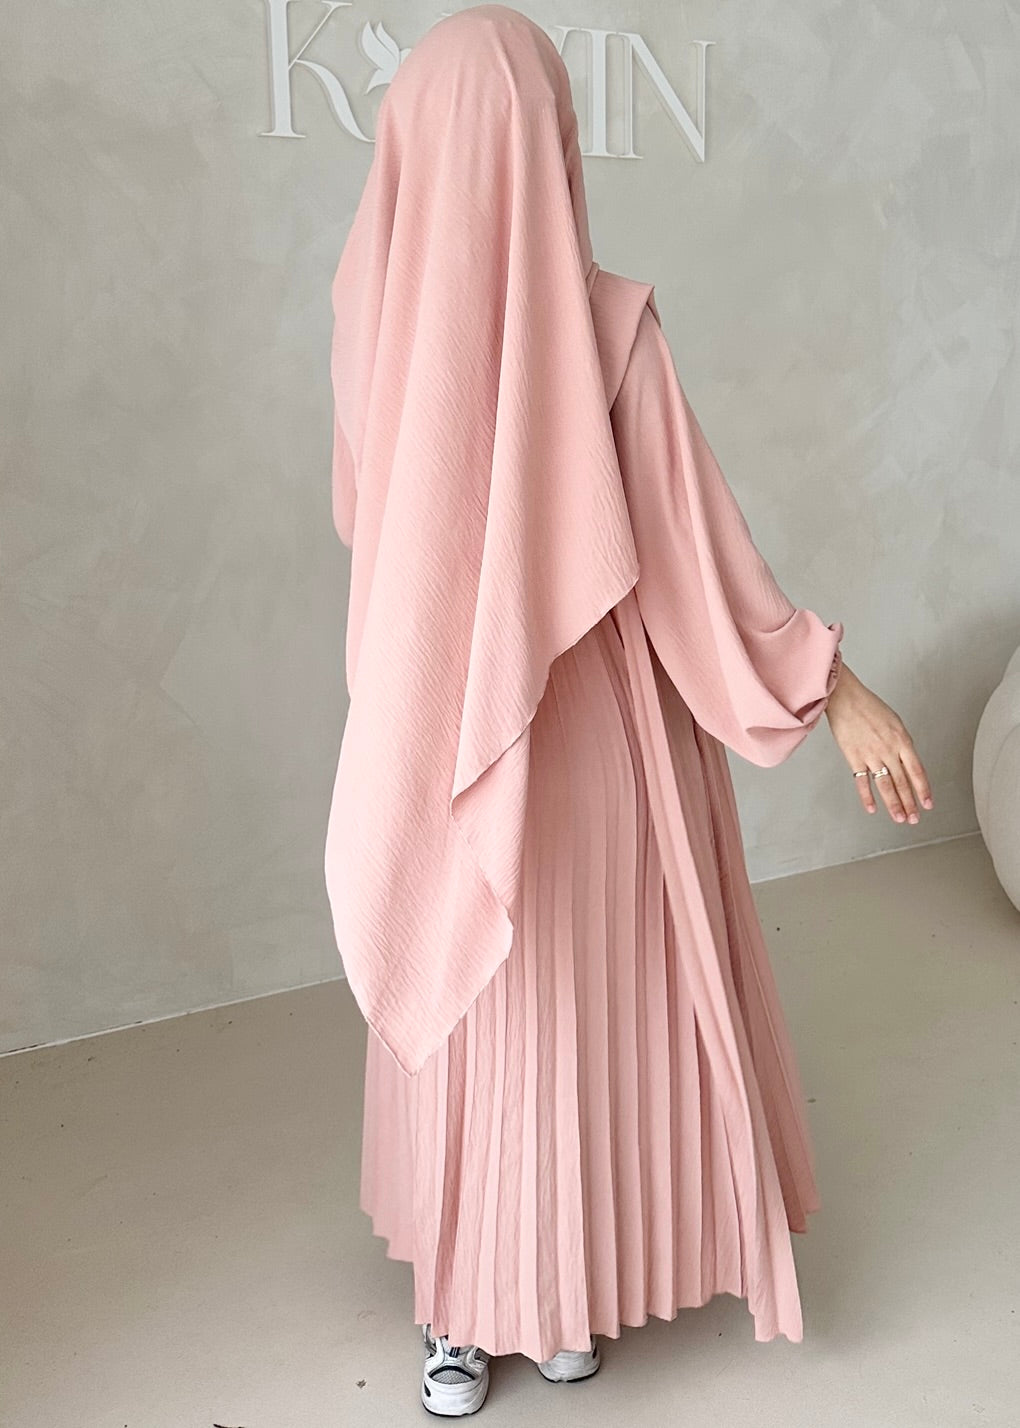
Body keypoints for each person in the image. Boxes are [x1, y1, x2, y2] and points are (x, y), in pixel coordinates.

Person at [323, 5, 933, 1417]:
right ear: (555, 147)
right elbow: (698, 551)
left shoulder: (371, 318)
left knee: (495, 999)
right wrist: (829, 687)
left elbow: (369, 515)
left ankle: (486, 1310)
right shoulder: (601, 327)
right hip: (584, 723)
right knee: (565, 1005)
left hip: (440, 722)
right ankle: (534, 1302)